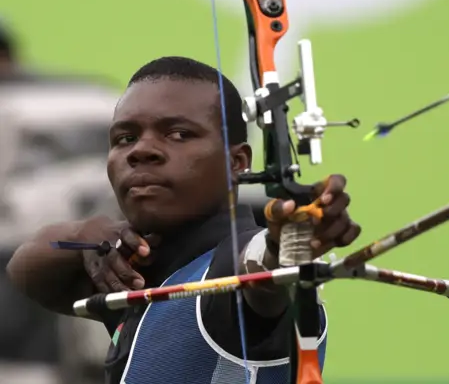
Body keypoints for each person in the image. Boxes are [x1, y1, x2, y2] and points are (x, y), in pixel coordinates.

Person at [6, 56, 361, 384]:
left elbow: (260, 277)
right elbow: (25, 267)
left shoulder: (229, 268)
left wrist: (286, 247)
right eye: (125, 138)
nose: (141, 150)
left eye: (178, 134)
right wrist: (86, 237)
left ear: (237, 162)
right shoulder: (134, 272)